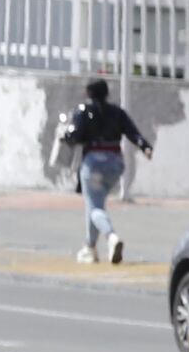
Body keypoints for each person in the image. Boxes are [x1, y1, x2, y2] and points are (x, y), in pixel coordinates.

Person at [59, 77, 152, 264]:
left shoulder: (83, 110)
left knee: (94, 208)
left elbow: (73, 135)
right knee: (96, 204)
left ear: (89, 93)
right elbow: (132, 131)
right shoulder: (116, 112)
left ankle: (111, 237)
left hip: (93, 163)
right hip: (115, 164)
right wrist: (145, 146)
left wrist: (65, 136)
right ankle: (90, 247)